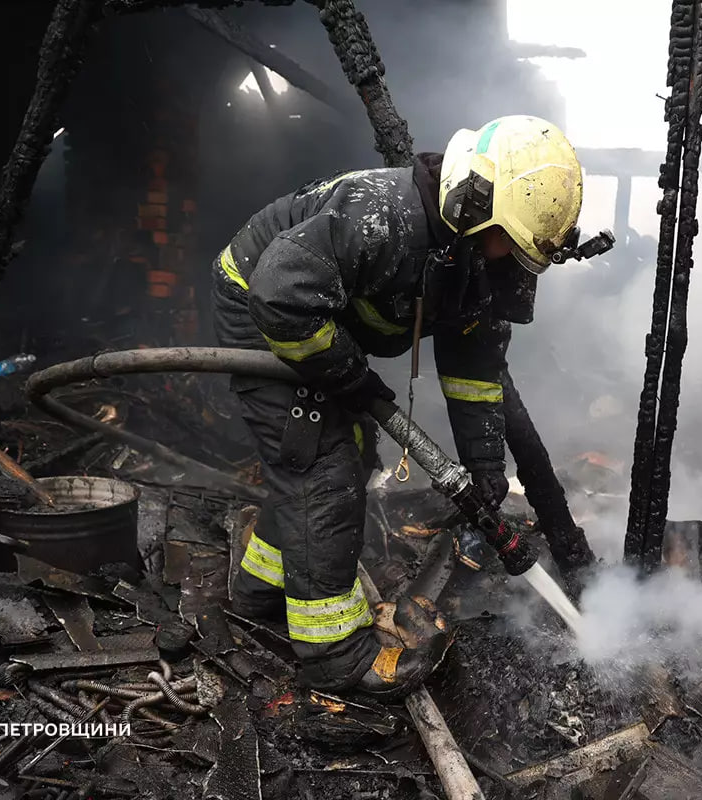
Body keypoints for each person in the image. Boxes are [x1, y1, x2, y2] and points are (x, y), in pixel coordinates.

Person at [211, 115, 585, 697]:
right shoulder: (386, 218)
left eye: (519, 251)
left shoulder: (484, 257)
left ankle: (261, 589)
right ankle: (335, 656)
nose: (506, 258)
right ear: (472, 200)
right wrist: (349, 377)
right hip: (268, 304)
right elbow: (282, 295)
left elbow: (476, 375)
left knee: (354, 452)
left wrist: (485, 471)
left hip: (317, 311)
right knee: (321, 465)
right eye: (505, 241)